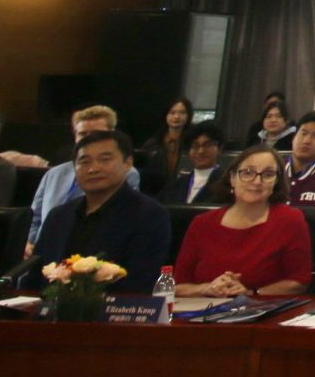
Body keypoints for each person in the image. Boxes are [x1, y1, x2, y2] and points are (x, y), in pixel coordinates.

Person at [27, 131, 170, 293]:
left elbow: (141, 282)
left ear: (128, 163)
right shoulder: (59, 215)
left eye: (105, 159)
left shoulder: (149, 215)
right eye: (84, 161)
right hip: (50, 306)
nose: (93, 169)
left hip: (116, 306)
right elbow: (34, 277)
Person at [172, 146, 311, 297]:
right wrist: (206, 289)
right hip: (204, 307)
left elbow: (299, 282)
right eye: (248, 172)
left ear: (276, 182)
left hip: (264, 308)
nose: (257, 181)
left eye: (268, 174)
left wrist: (250, 293)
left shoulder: (290, 220)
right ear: (232, 178)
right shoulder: (202, 223)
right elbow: (178, 286)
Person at [28, 106, 141, 246]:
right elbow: (34, 217)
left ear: (112, 134)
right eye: (82, 134)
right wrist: (28, 243)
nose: (89, 139)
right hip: (43, 249)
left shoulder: (125, 172)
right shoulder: (54, 173)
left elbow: (122, 218)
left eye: (96, 134)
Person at [160, 122, 226, 204]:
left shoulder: (227, 183)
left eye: (207, 145)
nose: (201, 151)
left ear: (220, 149)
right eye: (195, 146)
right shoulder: (176, 185)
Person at [141, 98, 194, 176]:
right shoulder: (153, 144)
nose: (176, 117)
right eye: (172, 112)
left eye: (182, 113)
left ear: (189, 116)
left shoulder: (193, 144)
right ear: (165, 115)